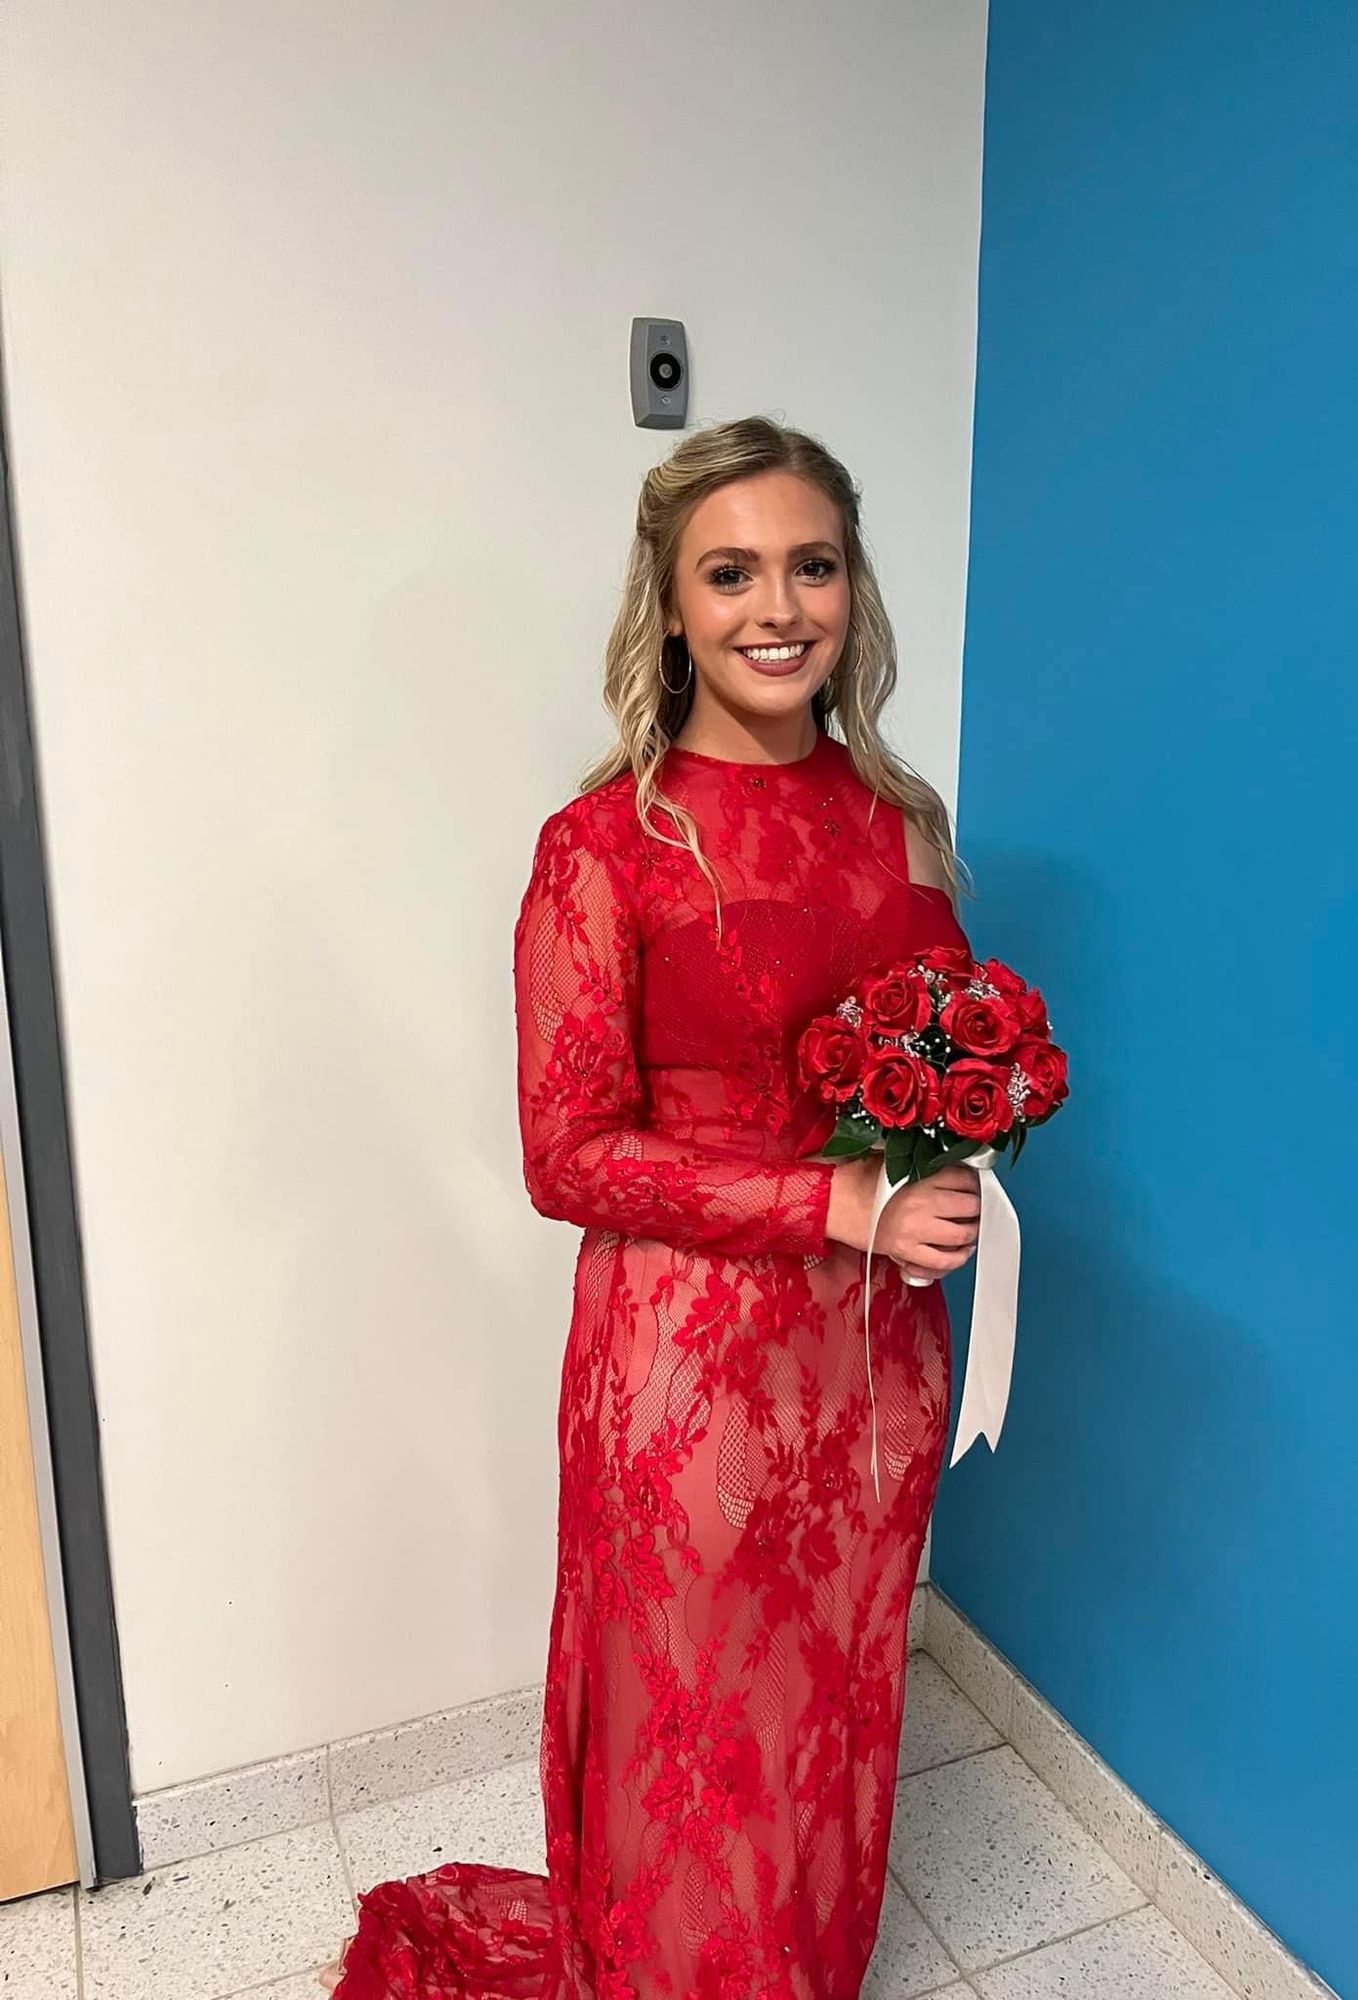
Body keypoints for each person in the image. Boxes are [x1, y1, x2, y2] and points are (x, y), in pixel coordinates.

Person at [322, 416, 982, 1996]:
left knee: (831, 1693)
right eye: (731, 573)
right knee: (695, 1717)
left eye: (812, 566)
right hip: (686, 1366)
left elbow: (931, 1054)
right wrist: (837, 1203)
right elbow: (569, 1154)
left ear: (853, 588)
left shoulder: (901, 819)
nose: (779, 608)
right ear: (671, 607)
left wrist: (951, 1155)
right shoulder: (605, 846)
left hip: (869, 1353)